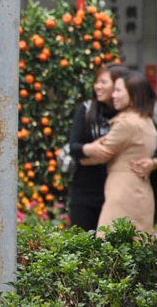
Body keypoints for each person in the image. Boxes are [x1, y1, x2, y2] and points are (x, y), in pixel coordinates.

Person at [80, 70, 157, 237]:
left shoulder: (126, 124)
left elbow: (102, 153)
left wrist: (82, 151)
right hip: (142, 191)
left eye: (118, 90)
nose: (113, 95)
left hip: (123, 193)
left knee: (108, 241)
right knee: (137, 243)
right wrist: (153, 163)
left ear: (133, 95)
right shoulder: (148, 121)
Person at [66, 63, 128, 231]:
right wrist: (89, 149)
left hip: (118, 193)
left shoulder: (130, 115)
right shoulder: (87, 109)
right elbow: (73, 147)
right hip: (85, 193)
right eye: (97, 82)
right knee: (82, 240)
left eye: (104, 82)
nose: (98, 87)